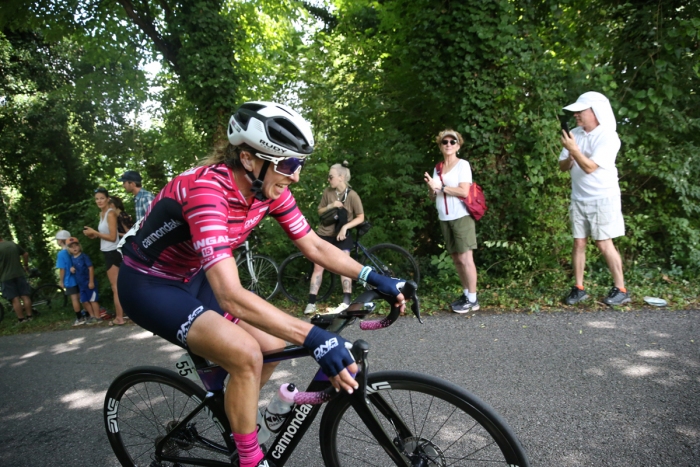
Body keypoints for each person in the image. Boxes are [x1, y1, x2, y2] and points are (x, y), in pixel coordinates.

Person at [117, 101, 407, 467]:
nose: (296, 176)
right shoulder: (207, 193)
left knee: (270, 344)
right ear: (250, 159)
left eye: (298, 164)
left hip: (194, 277)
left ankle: (230, 412)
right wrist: (315, 338)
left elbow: (315, 245)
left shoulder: (267, 190)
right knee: (245, 355)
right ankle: (250, 458)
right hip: (149, 285)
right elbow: (231, 295)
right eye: (287, 165)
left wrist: (374, 276)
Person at [559, 91, 630, 306]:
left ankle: (621, 289)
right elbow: (562, 167)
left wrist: (575, 150)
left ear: (596, 113)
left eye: (581, 111)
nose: (576, 115)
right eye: (576, 112)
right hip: (579, 198)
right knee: (578, 242)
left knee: (603, 243)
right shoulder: (574, 133)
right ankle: (579, 288)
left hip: (603, 197)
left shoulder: (608, 136)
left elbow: (590, 167)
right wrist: (570, 153)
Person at [423, 129, 479, 314]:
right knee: (456, 258)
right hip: (444, 217)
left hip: (461, 216)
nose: (448, 145)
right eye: (444, 142)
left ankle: (473, 299)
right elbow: (434, 196)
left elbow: (464, 191)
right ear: (440, 145)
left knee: (465, 257)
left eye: (452, 142)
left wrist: (442, 186)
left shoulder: (463, 165)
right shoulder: (438, 168)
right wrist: (432, 189)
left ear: (458, 145)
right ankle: (465, 294)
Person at [304, 162, 365, 315]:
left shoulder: (352, 195)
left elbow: (361, 217)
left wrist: (346, 227)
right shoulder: (327, 192)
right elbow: (320, 211)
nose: (328, 179)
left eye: (331, 177)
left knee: (344, 266)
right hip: (325, 234)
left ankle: (346, 302)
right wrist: (331, 205)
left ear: (341, 177)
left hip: (342, 235)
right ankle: (311, 303)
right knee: (318, 267)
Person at [82, 187, 127, 326]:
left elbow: (113, 237)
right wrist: (93, 235)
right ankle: (125, 314)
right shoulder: (102, 214)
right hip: (107, 251)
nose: (99, 201)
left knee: (116, 287)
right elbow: (105, 235)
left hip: (113, 252)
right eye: (97, 199)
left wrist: (95, 231)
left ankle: (120, 317)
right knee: (119, 286)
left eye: (102, 198)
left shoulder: (110, 213)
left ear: (108, 199)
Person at [66, 237, 101, 325]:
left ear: (79, 246)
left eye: (76, 245)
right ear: (69, 249)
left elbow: (90, 268)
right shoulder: (72, 258)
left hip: (88, 282)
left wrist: (91, 281)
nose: (74, 248)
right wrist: (72, 268)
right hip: (81, 284)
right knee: (84, 301)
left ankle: (98, 317)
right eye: (71, 247)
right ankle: (92, 316)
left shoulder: (84, 256)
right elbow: (74, 267)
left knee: (93, 300)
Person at [0, 236, 33, 323]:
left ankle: (21, 319)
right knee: (25, 296)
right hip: (20, 274)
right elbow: (25, 254)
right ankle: (30, 316)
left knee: (15, 299)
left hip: (6, 277)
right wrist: (25, 265)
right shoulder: (12, 244)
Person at [55, 230, 84, 326]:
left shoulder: (61, 254)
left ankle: (79, 318)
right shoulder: (71, 250)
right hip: (78, 277)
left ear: (60, 241)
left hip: (69, 279)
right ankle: (87, 313)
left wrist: (61, 281)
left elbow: (62, 269)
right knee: (81, 297)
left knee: (74, 299)